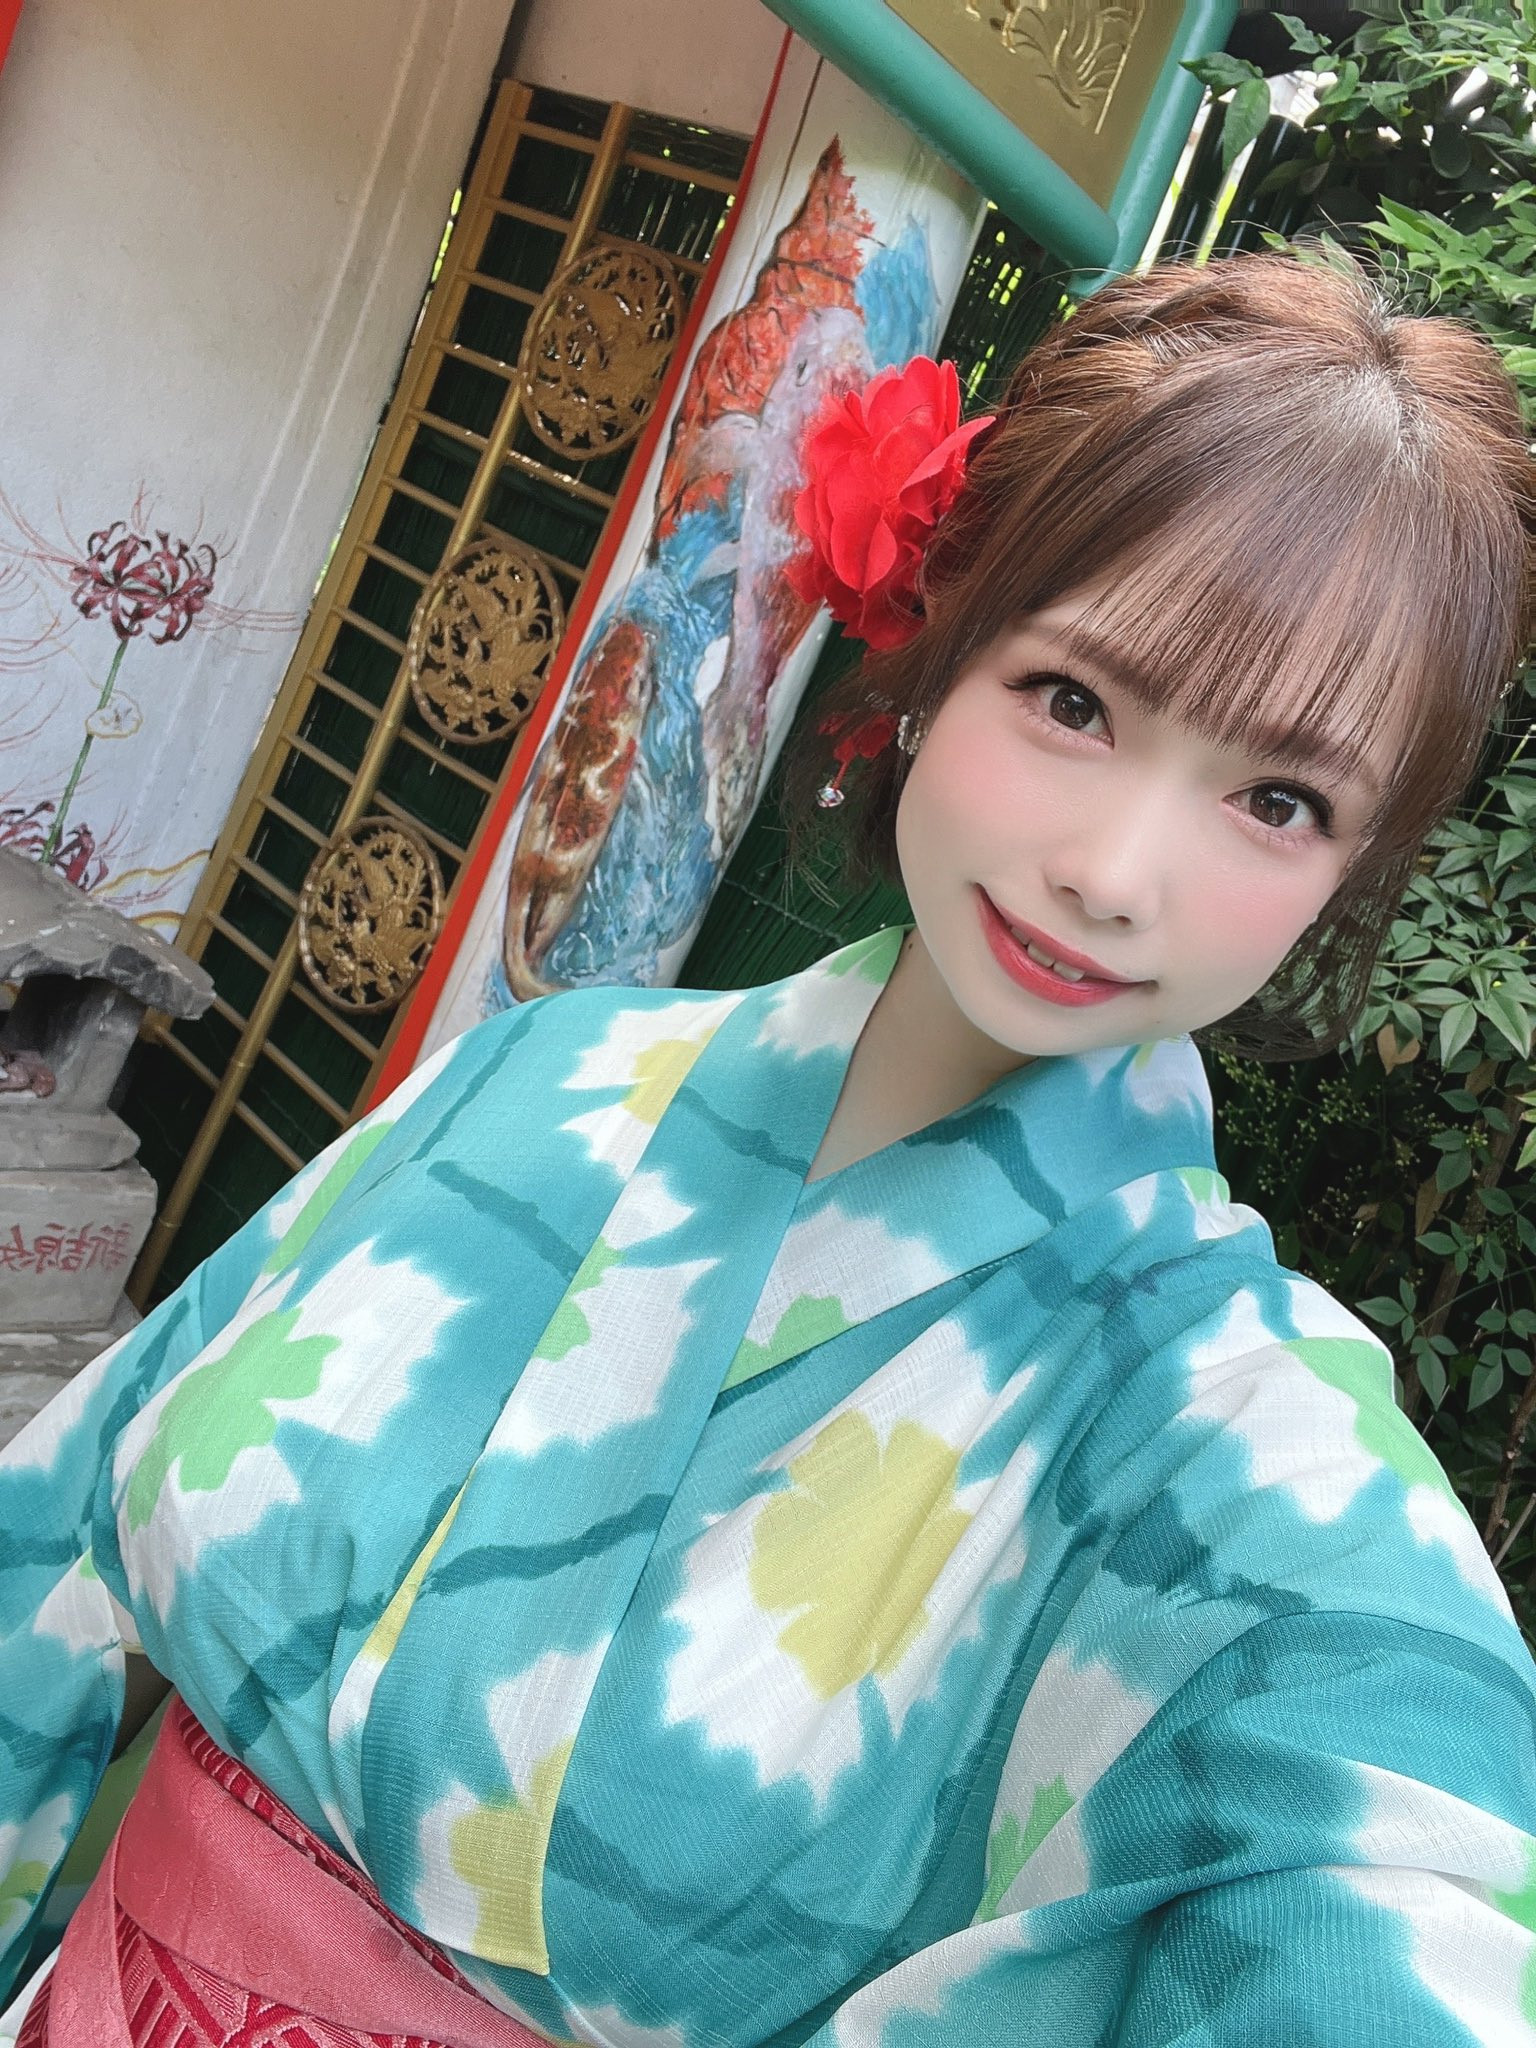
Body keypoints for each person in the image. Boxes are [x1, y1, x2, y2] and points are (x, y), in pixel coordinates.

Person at [3, 245, 1535, 2047]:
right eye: (1073, 700)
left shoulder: (1234, 1444)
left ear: (1352, 866)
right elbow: (60, 1535)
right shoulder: (546, 1073)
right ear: (944, 629)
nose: (1115, 875)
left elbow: (1398, 1873)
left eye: (1279, 799)